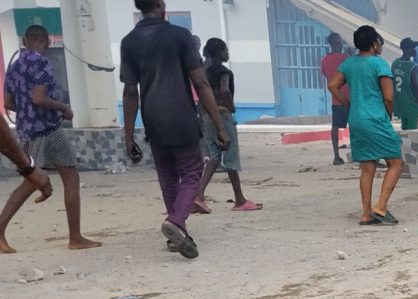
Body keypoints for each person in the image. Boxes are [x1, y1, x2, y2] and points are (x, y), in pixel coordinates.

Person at [121, 0, 229, 260]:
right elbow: (200, 82)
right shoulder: (180, 36)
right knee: (192, 170)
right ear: (161, 5)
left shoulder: (129, 42)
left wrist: (128, 135)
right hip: (180, 114)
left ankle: (177, 233)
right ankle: (176, 221)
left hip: (152, 117)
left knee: (167, 175)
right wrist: (219, 126)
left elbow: (130, 91)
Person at [0, 24, 98, 254]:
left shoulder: (14, 66)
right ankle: (75, 238)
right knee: (67, 178)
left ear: (25, 41)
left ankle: (1, 228)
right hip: (48, 130)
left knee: (33, 178)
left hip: (26, 130)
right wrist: (64, 108)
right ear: (47, 41)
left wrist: (27, 112)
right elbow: (39, 98)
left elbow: (8, 103)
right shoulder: (43, 63)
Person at [329, 26, 404, 226]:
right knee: (396, 162)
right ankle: (381, 206)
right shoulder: (379, 64)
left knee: (367, 167)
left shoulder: (349, 63)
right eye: (378, 41)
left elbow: (332, 85)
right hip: (376, 118)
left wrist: (347, 104)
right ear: (374, 44)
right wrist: (388, 116)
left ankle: (366, 213)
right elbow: (389, 97)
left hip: (356, 119)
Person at [194, 38, 261, 213]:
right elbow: (224, 89)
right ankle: (239, 200)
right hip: (223, 114)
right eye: (225, 50)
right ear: (220, 52)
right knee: (231, 157)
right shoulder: (224, 72)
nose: (227, 53)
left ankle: (198, 196)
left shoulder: (204, 72)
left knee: (214, 157)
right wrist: (231, 106)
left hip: (208, 116)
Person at [321, 33, 349, 166]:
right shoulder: (345, 58)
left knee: (335, 128)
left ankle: (336, 157)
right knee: (357, 127)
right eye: (340, 41)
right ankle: (360, 155)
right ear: (337, 43)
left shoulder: (324, 60)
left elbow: (328, 78)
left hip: (336, 99)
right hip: (349, 98)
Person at [392, 38, 418, 131]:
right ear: (409, 50)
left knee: (405, 133)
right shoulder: (412, 66)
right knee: (412, 134)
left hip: (401, 106)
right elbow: (417, 89)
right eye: (414, 48)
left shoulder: (395, 63)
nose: (415, 50)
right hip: (412, 107)